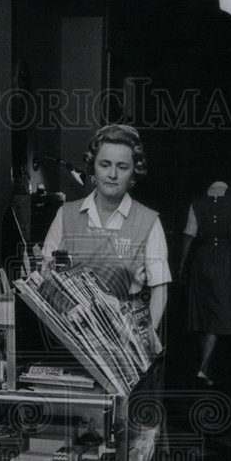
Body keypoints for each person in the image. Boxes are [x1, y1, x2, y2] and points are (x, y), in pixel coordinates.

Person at [41, 124, 171, 329]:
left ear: (133, 173)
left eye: (122, 167)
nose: (112, 174)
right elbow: (45, 275)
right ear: (93, 167)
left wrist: (145, 340)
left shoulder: (149, 222)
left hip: (125, 338)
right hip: (71, 336)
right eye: (105, 164)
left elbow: (160, 288)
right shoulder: (65, 215)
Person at [178, 167, 231, 385]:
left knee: (207, 311)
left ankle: (206, 367)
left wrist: (182, 265)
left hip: (203, 257)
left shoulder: (197, 201)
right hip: (228, 257)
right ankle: (203, 368)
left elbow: (188, 235)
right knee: (218, 314)